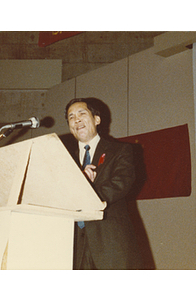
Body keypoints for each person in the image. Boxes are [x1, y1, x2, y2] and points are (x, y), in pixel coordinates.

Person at [65, 97, 143, 270]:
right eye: (71, 117)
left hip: (109, 244)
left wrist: (84, 189)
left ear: (97, 119)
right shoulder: (62, 158)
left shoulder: (120, 151)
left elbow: (120, 184)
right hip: (71, 245)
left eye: (81, 113)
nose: (76, 119)